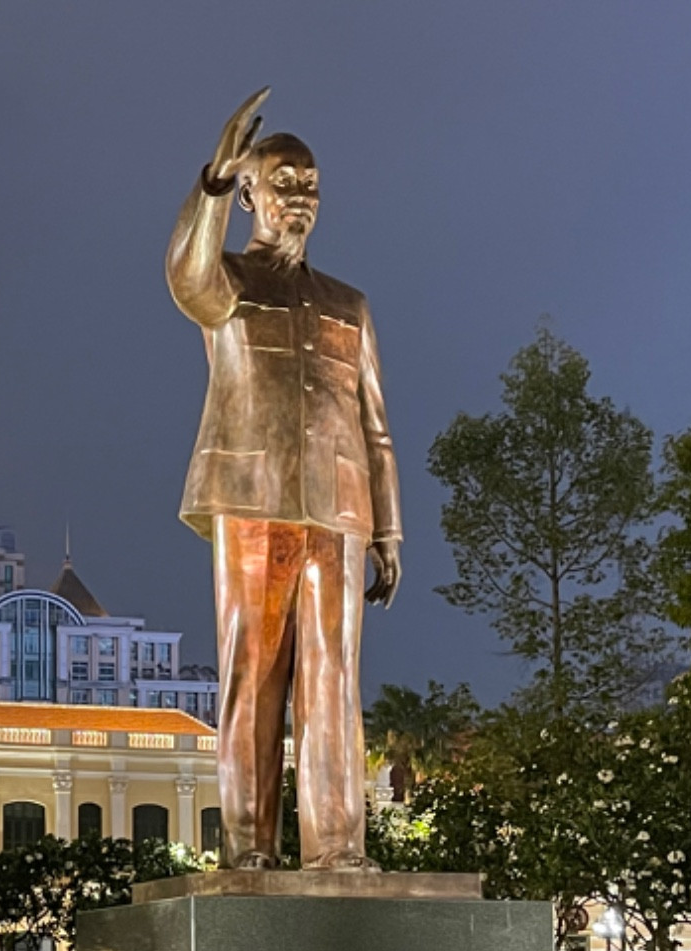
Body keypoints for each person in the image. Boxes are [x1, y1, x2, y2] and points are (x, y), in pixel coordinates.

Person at [167, 89, 403, 870]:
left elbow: (376, 427)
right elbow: (184, 273)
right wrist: (210, 178)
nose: (299, 196)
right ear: (250, 195)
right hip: (251, 500)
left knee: (333, 680)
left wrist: (390, 529)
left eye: (309, 184)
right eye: (282, 182)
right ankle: (248, 849)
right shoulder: (228, 283)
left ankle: (338, 847)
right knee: (254, 675)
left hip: (339, 512)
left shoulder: (349, 305)